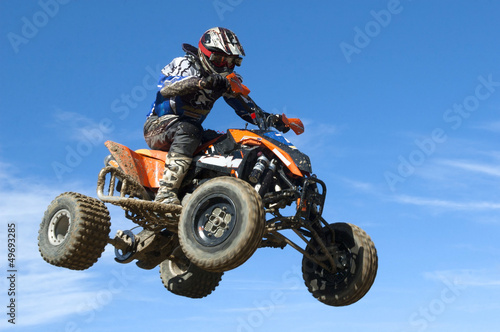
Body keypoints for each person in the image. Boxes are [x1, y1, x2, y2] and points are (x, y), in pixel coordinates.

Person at [144, 27, 288, 205]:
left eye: (231, 62)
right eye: (219, 60)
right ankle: (166, 193)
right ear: (205, 54)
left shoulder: (223, 80)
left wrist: (271, 120)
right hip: (158, 126)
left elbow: (246, 109)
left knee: (227, 142)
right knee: (190, 129)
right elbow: (167, 87)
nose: (225, 66)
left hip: (190, 132)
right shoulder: (185, 63)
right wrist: (201, 82)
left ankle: (208, 192)